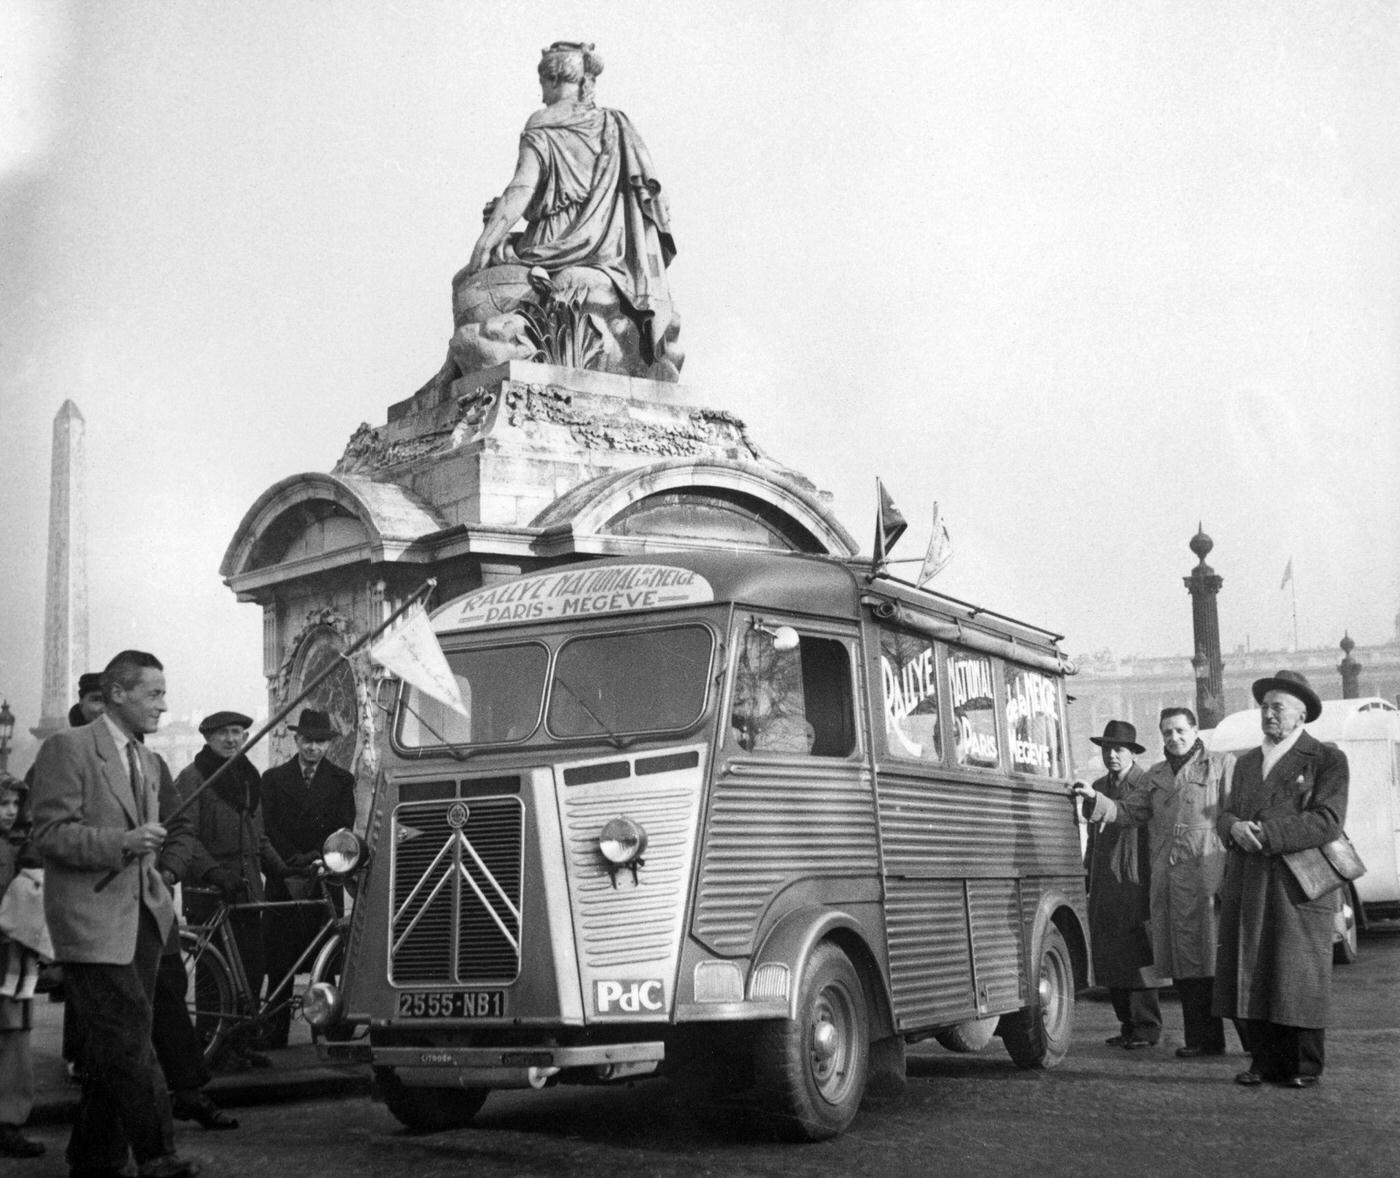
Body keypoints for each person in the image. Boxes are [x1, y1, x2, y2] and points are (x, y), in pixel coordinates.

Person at [29, 649, 200, 1178]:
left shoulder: (149, 762)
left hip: (145, 921)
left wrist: (165, 873)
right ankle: (158, 1154)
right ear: (117, 693)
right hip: (90, 922)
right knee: (128, 1041)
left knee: (114, 1046)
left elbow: (173, 830)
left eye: (164, 695)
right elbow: (49, 835)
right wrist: (121, 842)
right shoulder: (68, 748)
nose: (163, 707)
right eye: (153, 694)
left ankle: (93, 1158)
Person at [465, 41, 677, 365]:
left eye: (543, 85)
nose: (542, 95)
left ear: (552, 79)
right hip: (608, 252)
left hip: (553, 244)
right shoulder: (614, 123)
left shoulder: (543, 121)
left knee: (476, 277)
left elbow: (522, 187)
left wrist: (485, 241)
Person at [1074, 708, 1238, 1057]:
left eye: (1180, 731)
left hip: (1209, 876)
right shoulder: (1157, 775)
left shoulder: (1221, 765)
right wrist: (1094, 799)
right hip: (1171, 882)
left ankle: (1257, 1046)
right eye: (1167, 733)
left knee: (1221, 965)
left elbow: (1235, 815)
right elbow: (1128, 811)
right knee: (1185, 965)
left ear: (1195, 731)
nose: (1174, 738)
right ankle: (1203, 1041)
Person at [1214, 669, 1348, 1090]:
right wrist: (1232, 827)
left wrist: (1267, 834)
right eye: (1265, 707)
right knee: (1254, 968)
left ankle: (1303, 1066)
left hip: (1298, 884)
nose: (1268, 714)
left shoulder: (1326, 759)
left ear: (1301, 714)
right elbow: (1225, 812)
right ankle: (1262, 1061)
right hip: (1251, 880)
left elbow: (1328, 820)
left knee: (1298, 973)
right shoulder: (1247, 761)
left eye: (1278, 707)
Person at [177, 709, 286, 1071]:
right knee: (214, 975)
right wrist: (214, 873)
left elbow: (259, 838)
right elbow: (185, 839)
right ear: (207, 738)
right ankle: (209, 1047)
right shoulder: (193, 779)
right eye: (222, 733)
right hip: (211, 893)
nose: (231, 739)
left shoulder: (248, 778)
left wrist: (284, 867)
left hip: (247, 892)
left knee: (251, 970)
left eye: (237, 732)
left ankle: (239, 1045)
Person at [261, 708, 356, 1049]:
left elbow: (343, 827)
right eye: (307, 740)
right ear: (296, 739)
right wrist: (292, 860)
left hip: (322, 878)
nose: (313, 748)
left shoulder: (343, 781)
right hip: (284, 878)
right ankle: (273, 1033)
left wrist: (318, 857)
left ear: (328, 745)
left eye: (320, 742)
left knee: (324, 959)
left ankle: (326, 1029)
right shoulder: (271, 780)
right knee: (280, 962)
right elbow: (268, 828)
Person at [1075, 719, 1165, 1049]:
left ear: (1132, 753)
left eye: (1119, 750)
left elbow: (1125, 813)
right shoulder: (1100, 784)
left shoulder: (1145, 784)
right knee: (1111, 955)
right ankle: (1127, 1024)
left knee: (1139, 956)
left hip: (1134, 880)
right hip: (1105, 882)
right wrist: (1087, 871)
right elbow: (1094, 841)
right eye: (1107, 749)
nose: (1112, 755)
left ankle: (1146, 1026)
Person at [0, 773, 45, 1159]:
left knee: (15, 1039)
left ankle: (9, 1121)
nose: (10, 812)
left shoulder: (19, 846)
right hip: (9, 955)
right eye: (3, 804)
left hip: (13, 957)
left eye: (15, 804)